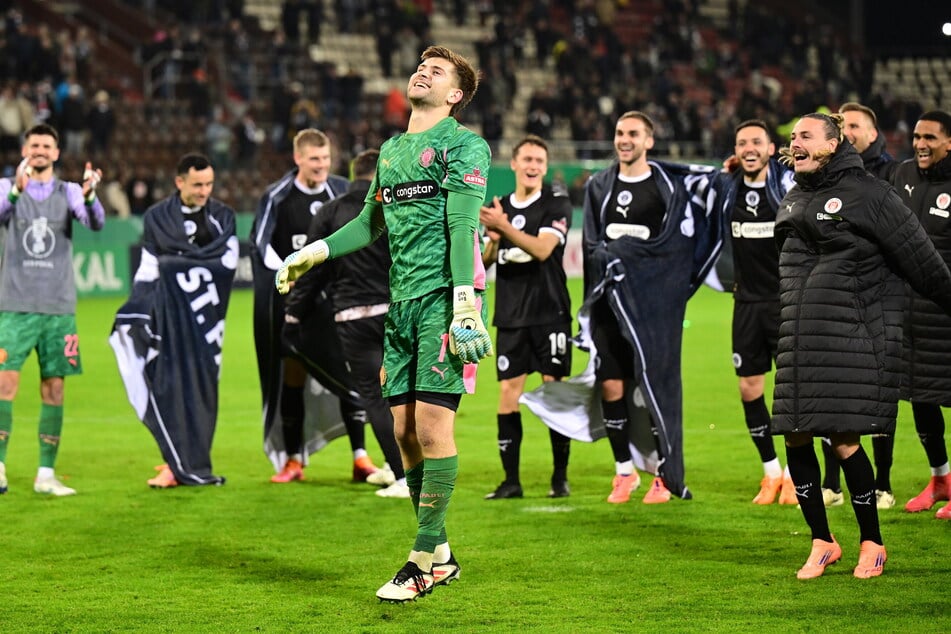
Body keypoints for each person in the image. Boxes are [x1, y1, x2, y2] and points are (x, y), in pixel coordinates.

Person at [276, 45, 492, 602]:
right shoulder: (393, 151)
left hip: (446, 300)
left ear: (455, 95)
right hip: (401, 304)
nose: (423, 70)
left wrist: (466, 302)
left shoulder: (464, 145)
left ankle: (420, 560)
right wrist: (314, 253)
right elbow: (370, 223)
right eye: (421, 63)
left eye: (437, 70)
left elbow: (465, 222)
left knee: (430, 429)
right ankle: (442, 554)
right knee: (400, 433)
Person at [772, 112, 951, 580]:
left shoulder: (872, 195)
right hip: (798, 340)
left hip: (851, 337)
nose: (795, 143)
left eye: (806, 136)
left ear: (832, 145)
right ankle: (822, 540)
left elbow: (923, 262)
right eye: (793, 138)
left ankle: (872, 541)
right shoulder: (793, 198)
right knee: (795, 435)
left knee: (845, 440)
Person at [580, 111, 722, 504]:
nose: (624, 140)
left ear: (649, 141)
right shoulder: (599, 185)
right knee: (610, 384)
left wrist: (629, 256)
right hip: (609, 302)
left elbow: (674, 248)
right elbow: (591, 245)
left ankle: (662, 472)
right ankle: (624, 471)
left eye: (633, 134)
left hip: (652, 310)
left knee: (653, 386)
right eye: (620, 133)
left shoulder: (667, 188)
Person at [250, 128, 381, 484]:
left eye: (325, 159)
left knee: (348, 373)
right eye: (314, 159)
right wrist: (286, 271)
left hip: (334, 300)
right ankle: (293, 460)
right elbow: (260, 244)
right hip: (296, 299)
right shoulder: (277, 196)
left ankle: (361, 456)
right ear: (298, 159)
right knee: (294, 373)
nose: (321, 165)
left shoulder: (340, 190)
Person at [284, 148, 409, 499]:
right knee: (401, 394)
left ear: (354, 173)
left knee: (374, 397)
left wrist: (294, 315)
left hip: (354, 318)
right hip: (396, 313)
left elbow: (311, 271)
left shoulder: (331, 211)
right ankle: (398, 465)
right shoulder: (394, 208)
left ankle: (403, 476)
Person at [110, 153, 238, 488]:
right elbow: (150, 267)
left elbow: (226, 264)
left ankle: (190, 463)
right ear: (179, 182)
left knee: (204, 390)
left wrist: (175, 264)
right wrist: (136, 304)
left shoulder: (223, 216)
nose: (204, 191)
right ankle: (176, 462)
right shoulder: (157, 217)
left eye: (209, 184)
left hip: (208, 321)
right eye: (197, 184)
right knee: (168, 386)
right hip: (168, 317)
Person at [0, 123, 105, 496]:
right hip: (15, 305)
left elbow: (95, 223)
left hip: (59, 309)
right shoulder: (7, 186)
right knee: (4, 383)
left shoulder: (71, 190)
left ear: (57, 153)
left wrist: (91, 196)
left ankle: (46, 474)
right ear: (25, 150)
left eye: (47, 145)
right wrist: (15, 190)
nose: (40, 150)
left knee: (54, 388)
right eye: (34, 145)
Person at [816, 102, 901, 509]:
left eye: (853, 126)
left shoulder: (890, 177)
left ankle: (882, 483)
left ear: (872, 133)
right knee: (830, 394)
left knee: (878, 395)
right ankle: (830, 483)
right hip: (836, 304)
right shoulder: (820, 180)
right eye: (841, 125)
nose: (846, 131)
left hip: (879, 302)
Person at [479, 135, 574, 500]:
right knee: (508, 393)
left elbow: (542, 249)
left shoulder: (556, 204)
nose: (534, 166)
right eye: (527, 159)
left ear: (545, 167)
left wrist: (503, 228)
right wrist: (493, 240)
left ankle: (559, 477)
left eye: (539, 160)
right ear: (514, 165)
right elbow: (486, 263)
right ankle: (511, 481)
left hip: (550, 313)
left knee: (554, 390)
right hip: (511, 316)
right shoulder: (498, 207)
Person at [721, 120, 796, 504]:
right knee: (749, 389)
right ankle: (770, 473)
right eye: (741, 143)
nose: (749, 148)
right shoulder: (727, 190)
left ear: (771, 148)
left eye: (756, 142)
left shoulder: (787, 187)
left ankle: (795, 476)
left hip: (785, 301)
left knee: (793, 392)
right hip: (746, 303)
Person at [889, 109, 951, 520]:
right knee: (921, 399)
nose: (921, 144)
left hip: (947, 313)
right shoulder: (902, 175)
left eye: (930, 137)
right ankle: (940, 478)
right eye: (916, 137)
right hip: (909, 312)